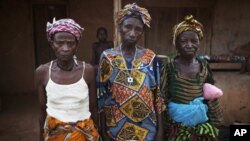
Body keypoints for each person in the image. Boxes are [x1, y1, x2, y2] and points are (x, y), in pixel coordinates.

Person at [97, 3, 165, 141]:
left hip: (147, 129)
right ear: (120, 28)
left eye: (138, 29)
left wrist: (160, 131)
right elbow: (101, 96)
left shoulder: (150, 57)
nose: (133, 33)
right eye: (128, 27)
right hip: (116, 129)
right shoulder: (108, 57)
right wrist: (103, 131)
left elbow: (157, 95)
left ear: (142, 32)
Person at [35, 18, 99, 141]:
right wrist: (40, 136)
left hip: (84, 134)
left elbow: (93, 107)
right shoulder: (42, 72)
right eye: (59, 43)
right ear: (51, 43)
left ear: (77, 44)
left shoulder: (88, 71)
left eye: (70, 43)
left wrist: (98, 132)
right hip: (55, 135)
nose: (65, 48)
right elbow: (42, 110)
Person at [160, 15, 223, 141]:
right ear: (176, 44)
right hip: (177, 126)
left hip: (201, 126)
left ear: (199, 43)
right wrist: (165, 127)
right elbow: (162, 98)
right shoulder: (169, 67)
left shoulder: (204, 65)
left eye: (194, 41)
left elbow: (210, 96)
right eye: (184, 41)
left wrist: (215, 123)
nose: (189, 45)